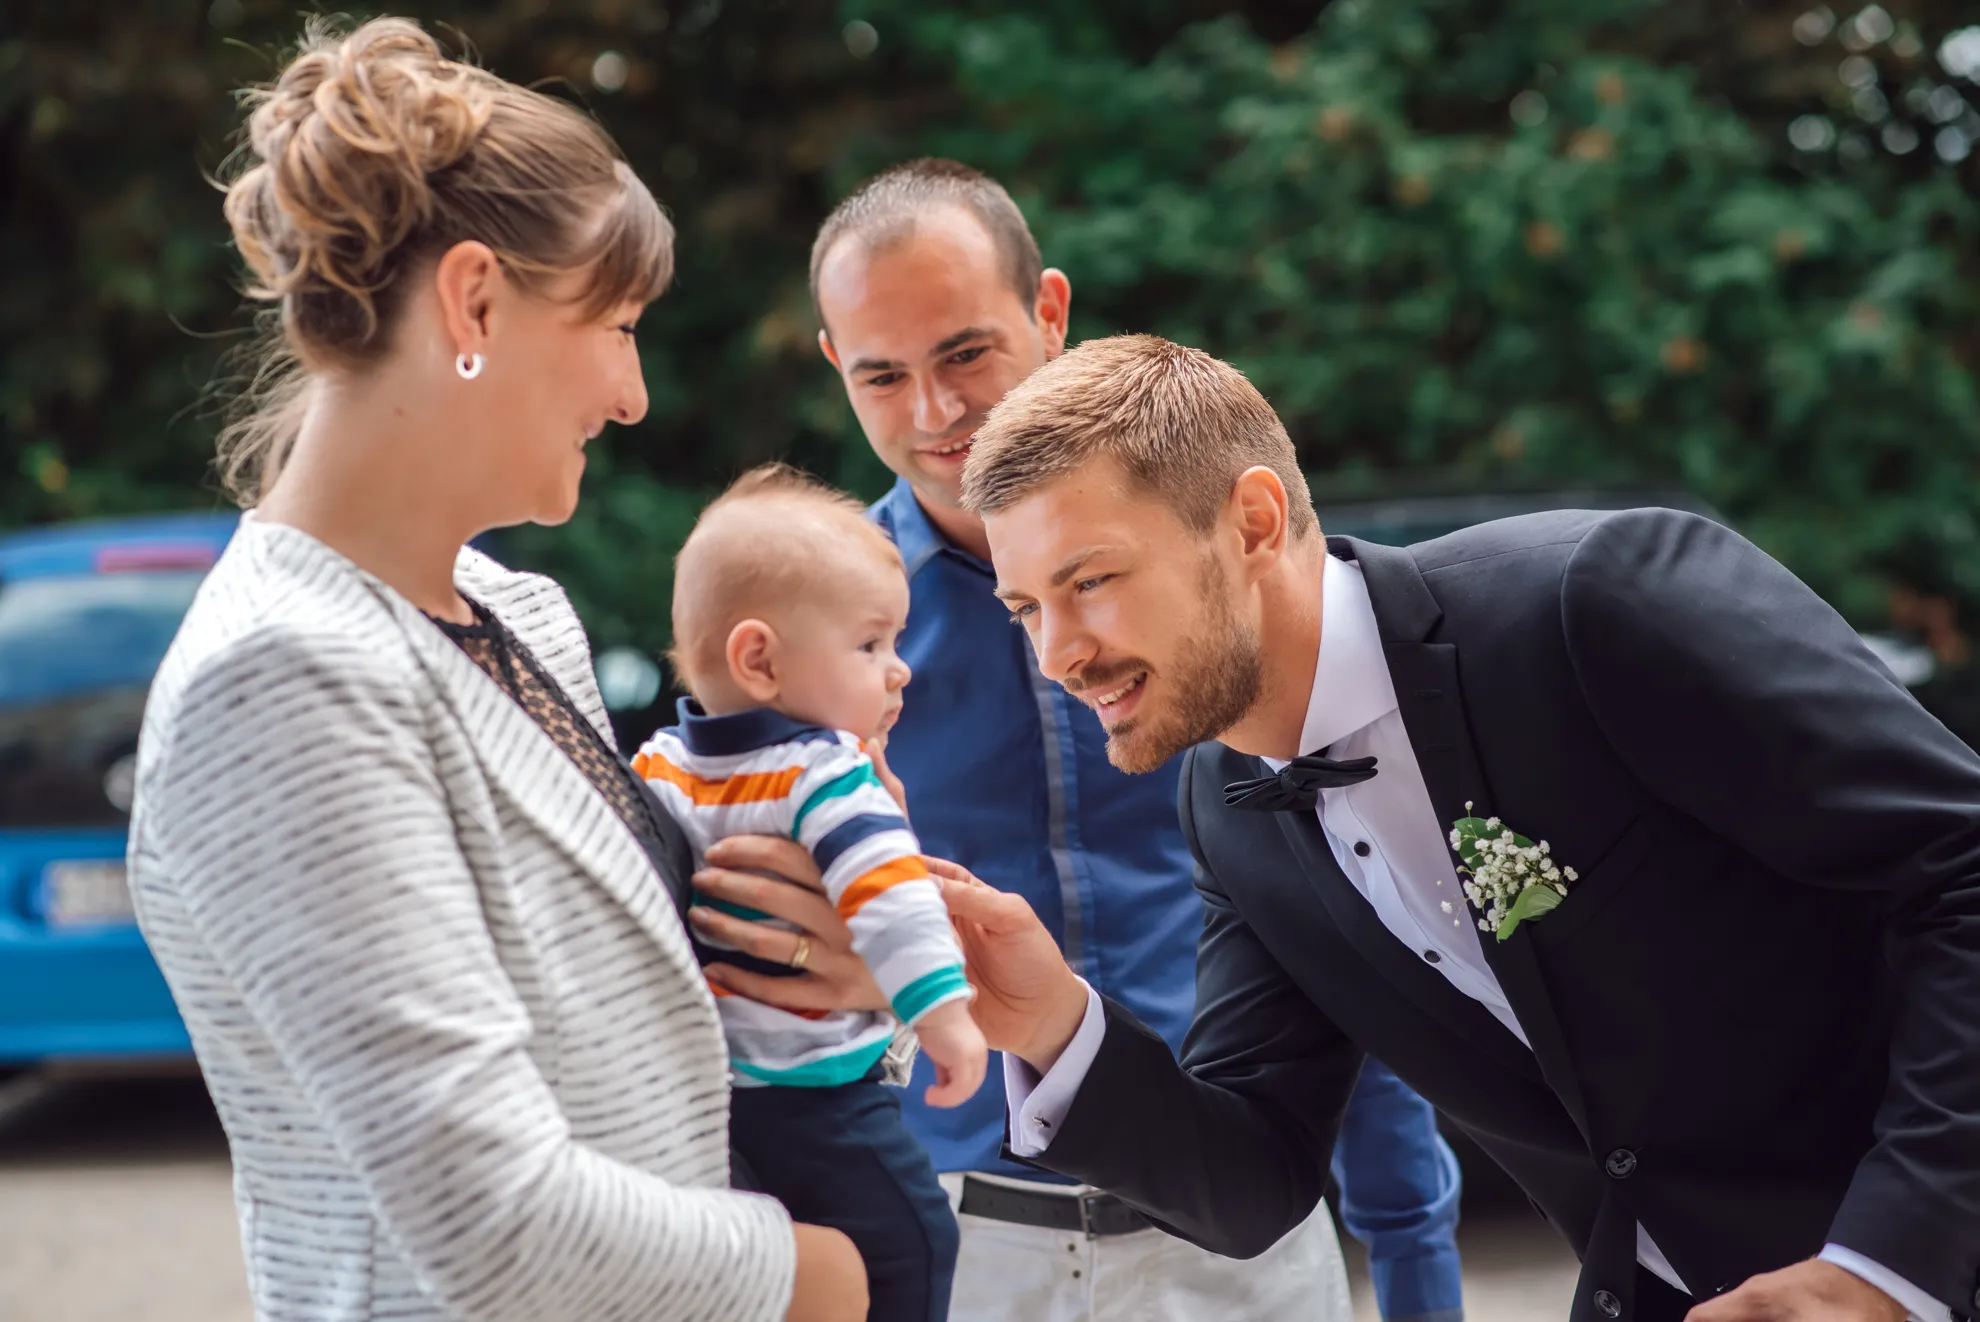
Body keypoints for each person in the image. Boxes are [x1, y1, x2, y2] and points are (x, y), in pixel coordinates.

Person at [942, 332, 1980, 1322]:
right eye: (1028, 607)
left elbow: (1963, 868)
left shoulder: (1595, 600)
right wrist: (1051, 1025)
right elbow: (1256, 1179)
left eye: (1091, 581)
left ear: (1253, 521)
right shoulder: (1227, 807)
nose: (1059, 654)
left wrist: (1881, 1266)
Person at [127, 18, 864, 1322]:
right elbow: (493, 1221)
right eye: (618, 324)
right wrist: (820, 1278)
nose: (633, 394)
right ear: (473, 301)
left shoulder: (512, 613)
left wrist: (835, 964)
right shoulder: (284, 678)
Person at [692, 157, 1462, 1322]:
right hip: (959, 1235)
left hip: (1238, 1219)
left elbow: (1355, 916)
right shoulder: (811, 645)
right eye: (881, 375)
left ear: (1049, 310)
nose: (935, 412)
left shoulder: (1215, 582)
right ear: (832, 369)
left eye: (963, 352)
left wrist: (1412, 1254)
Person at [637, 464, 987, 1322]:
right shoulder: (827, 776)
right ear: (759, 659)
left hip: (711, 1100)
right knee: (917, 1240)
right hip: (828, 1097)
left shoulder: (656, 770)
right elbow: (892, 900)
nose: (898, 670)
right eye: (871, 645)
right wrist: (947, 1019)